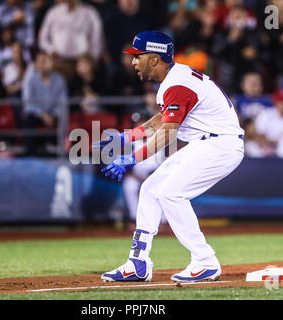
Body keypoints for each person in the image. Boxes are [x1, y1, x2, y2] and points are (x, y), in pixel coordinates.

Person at [93, 31, 244, 283]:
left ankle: (205, 261)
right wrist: (127, 137)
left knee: (170, 193)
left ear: (153, 59)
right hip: (208, 142)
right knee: (150, 189)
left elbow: (167, 134)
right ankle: (137, 263)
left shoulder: (177, 84)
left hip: (221, 145)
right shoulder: (174, 79)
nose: (133, 62)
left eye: (137, 56)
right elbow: (162, 119)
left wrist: (131, 158)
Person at [21, 50, 68, 155]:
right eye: (40, 62)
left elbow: (62, 104)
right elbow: (28, 103)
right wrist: (42, 114)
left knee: (63, 117)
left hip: (54, 114)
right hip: (37, 114)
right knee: (29, 118)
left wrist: (53, 115)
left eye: (45, 61)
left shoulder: (59, 80)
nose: (43, 65)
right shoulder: (32, 79)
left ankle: (59, 152)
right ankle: (31, 155)